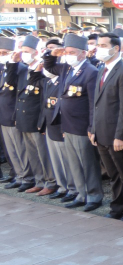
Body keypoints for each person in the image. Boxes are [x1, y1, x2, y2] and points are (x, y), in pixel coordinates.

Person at [43, 34, 103, 211]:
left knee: (87, 164)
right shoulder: (67, 68)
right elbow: (49, 67)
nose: (68, 55)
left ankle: (94, 196)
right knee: (74, 163)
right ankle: (81, 194)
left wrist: (91, 127)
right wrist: (52, 54)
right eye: (66, 52)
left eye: (72, 52)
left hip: (81, 126)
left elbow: (93, 103)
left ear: (83, 53)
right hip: (67, 124)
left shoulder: (90, 72)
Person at [91, 32, 123, 221]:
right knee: (114, 174)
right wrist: (93, 129)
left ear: (116, 48)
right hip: (102, 133)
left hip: (116, 136)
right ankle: (117, 208)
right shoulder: (102, 69)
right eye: (99, 45)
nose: (99, 49)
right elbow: (96, 103)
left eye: (104, 45)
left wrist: (120, 136)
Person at [9, 36, 57, 195]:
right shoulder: (24, 69)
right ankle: (39, 180)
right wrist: (13, 62)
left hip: (36, 118)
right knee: (33, 153)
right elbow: (14, 88)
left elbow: (44, 98)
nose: (23, 54)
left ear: (36, 52)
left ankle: (50, 182)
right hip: (24, 117)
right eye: (22, 51)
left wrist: (42, 121)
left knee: (43, 153)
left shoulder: (42, 69)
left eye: (26, 51)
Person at [38, 38, 76, 201]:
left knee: (66, 159)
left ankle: (72, 188)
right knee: (56, 159)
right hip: (50, 122)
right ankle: (62, 186)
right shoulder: (49, 79)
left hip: (62, 122)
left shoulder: (66, 72)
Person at [0, 36, 34, 191]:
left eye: (5, 53)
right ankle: (18, 175)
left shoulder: (19, 68)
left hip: (13, 114)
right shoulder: (3, 68)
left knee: (21, 149)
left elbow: (19, 95)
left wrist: (16, 115)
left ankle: (27, 177)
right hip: (3, 115)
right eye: (0, 53)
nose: (2, 55)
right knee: (11, 150)